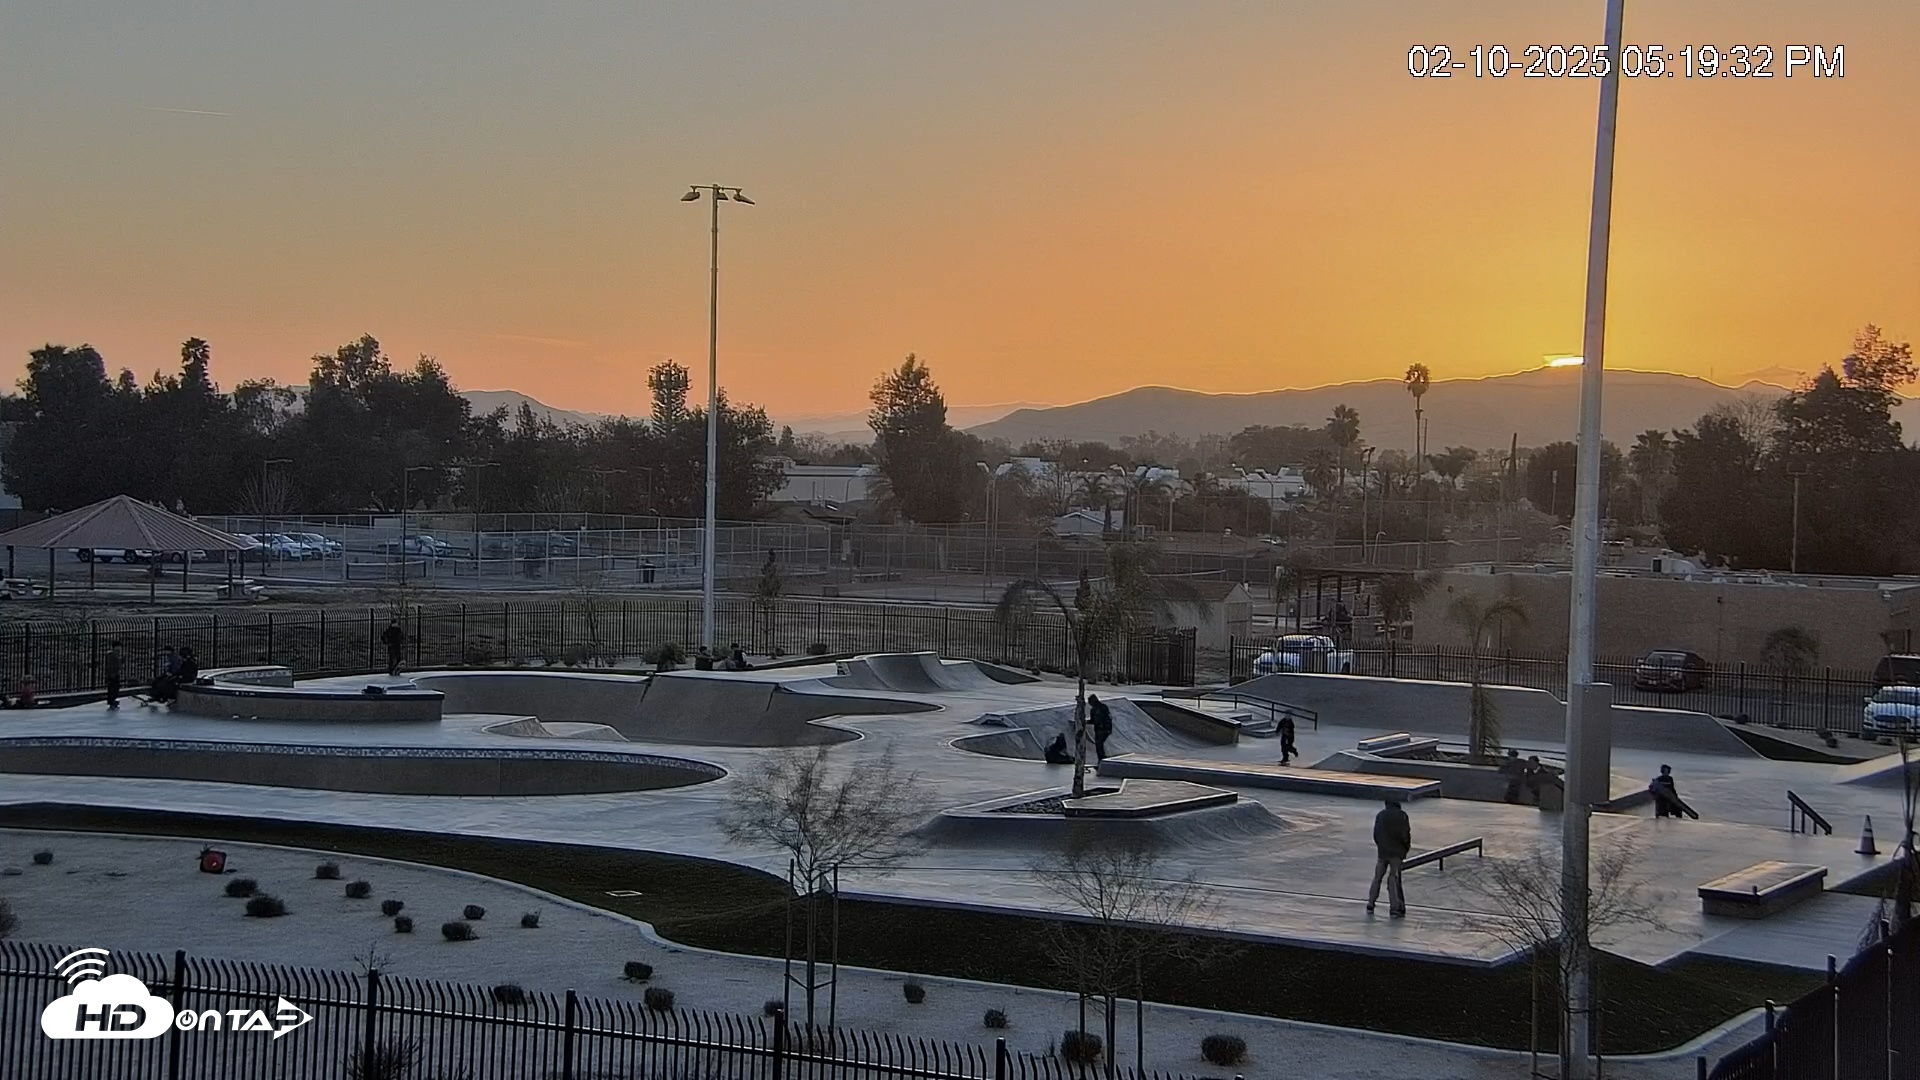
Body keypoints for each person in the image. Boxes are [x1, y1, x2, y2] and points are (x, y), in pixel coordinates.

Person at [1366, 798, 1411, 917]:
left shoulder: (1381, 815)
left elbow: (1376, 834)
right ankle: (1394, 906)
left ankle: (1371, 903)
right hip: (1397, 852)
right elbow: (1405, 834)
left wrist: (1381, 846)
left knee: (1377, 877)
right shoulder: (1402, 816)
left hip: (1383, 852)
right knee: (1393, 878)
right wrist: (1405, 848)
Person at [1087, 695, 1114, 760]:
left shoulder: (1095, 709)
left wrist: (1086, 722)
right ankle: (1102, 757)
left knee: (1099, 745)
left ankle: (1101, 758)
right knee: (1100, 744)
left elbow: (1096, 720)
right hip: (1105, 729)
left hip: (1101, 729)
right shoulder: (1104, 707)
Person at [103, 640, 124, 708]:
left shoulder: (116, 655)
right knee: (113, 688)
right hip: (112, 674)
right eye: (118, 647)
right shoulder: (112, 655)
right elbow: (111, 665)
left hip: (115, 673)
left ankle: (113, 700)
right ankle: (111, 700)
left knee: (115, 688)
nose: (119, 648)